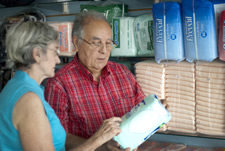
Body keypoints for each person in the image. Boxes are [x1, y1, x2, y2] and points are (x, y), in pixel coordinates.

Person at [0, 21, 122, 151]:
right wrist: (98, 139)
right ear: (37, 54)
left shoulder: (21, 87)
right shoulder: (28, 100)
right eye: (54, 51)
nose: (58, 60)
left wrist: (102, 146)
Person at [44, 11, 146, 150]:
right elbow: (59, 137)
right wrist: (102, 146)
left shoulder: (123, 73)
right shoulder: (59, 84)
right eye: (96, 43)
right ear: (76, 42)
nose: (104, 50)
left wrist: (156, 112)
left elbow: (140, 112)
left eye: (109, 43)